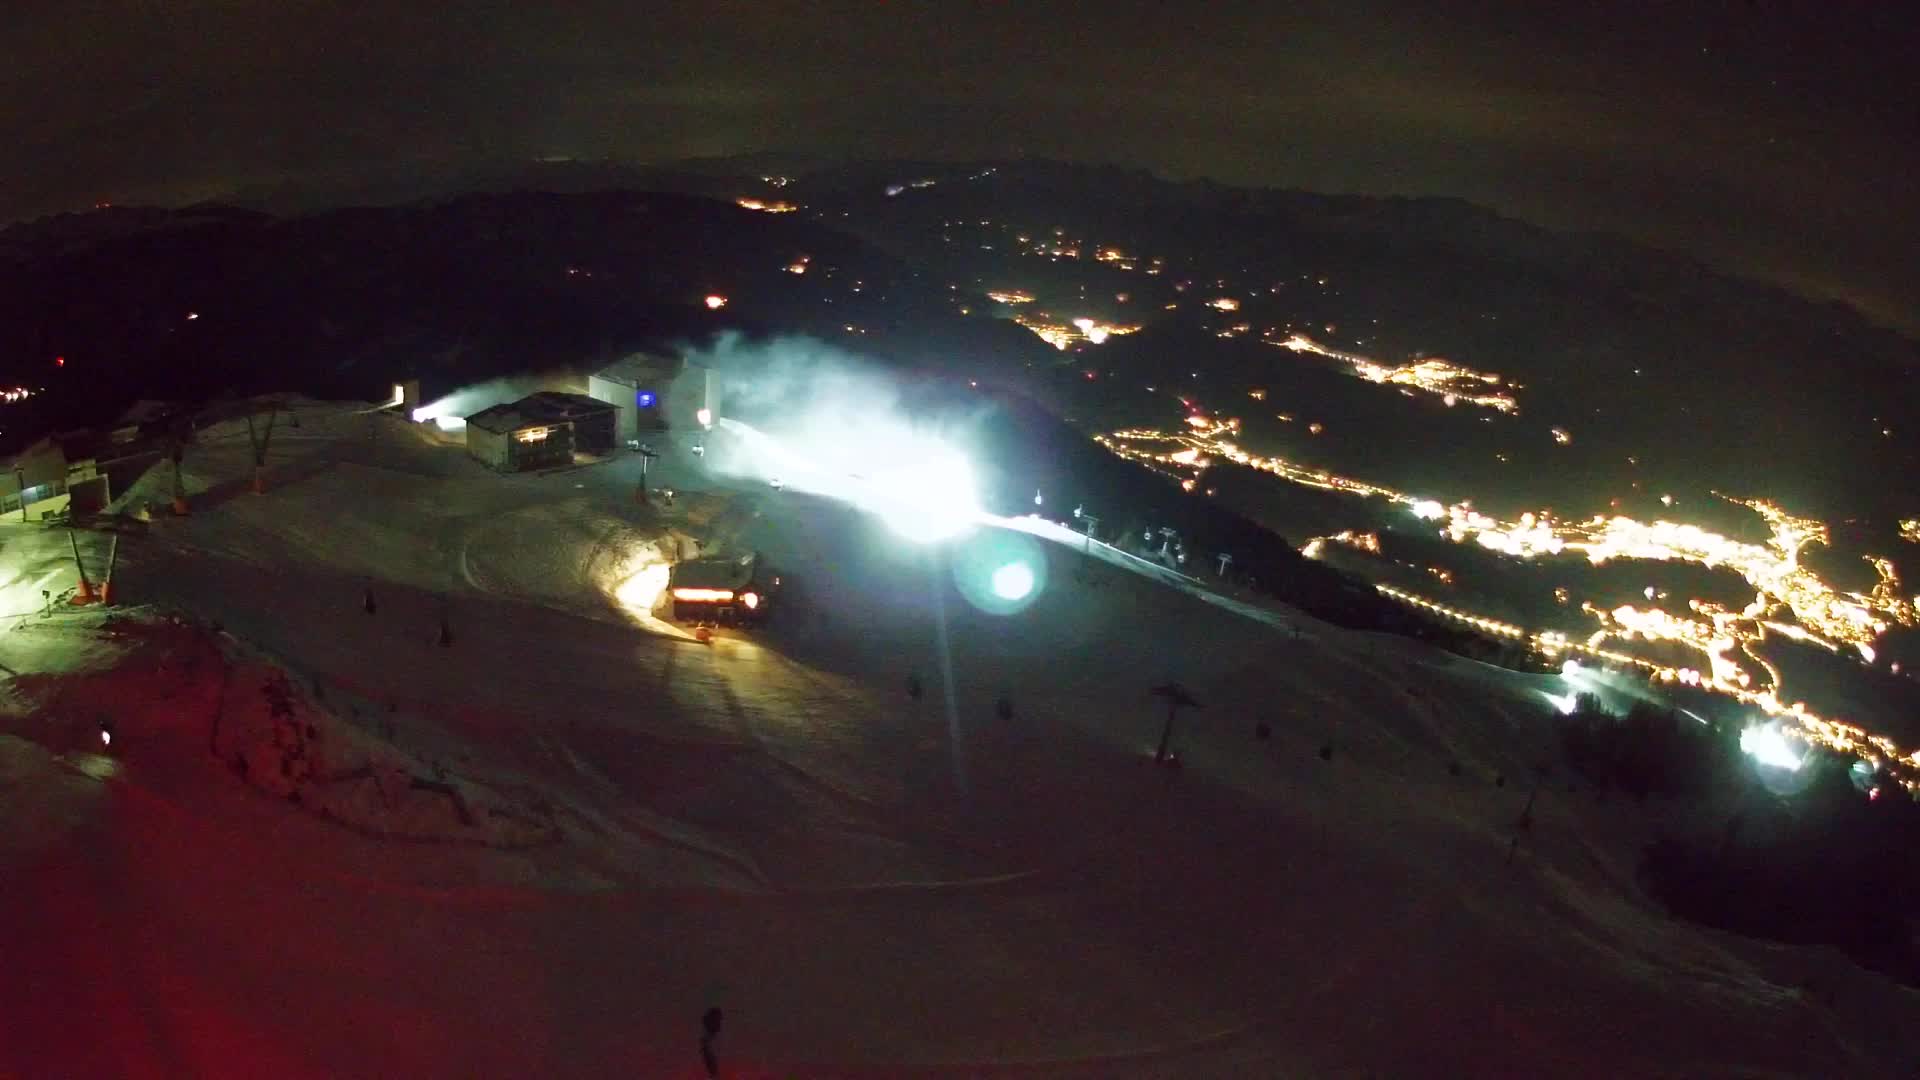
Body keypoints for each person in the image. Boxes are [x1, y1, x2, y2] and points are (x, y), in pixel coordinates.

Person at [700, 1006, 723, 1078]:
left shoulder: (713, 1042)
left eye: (719, 1021)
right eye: (716, 1021)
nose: (719, 1024)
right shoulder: (706, 1043)